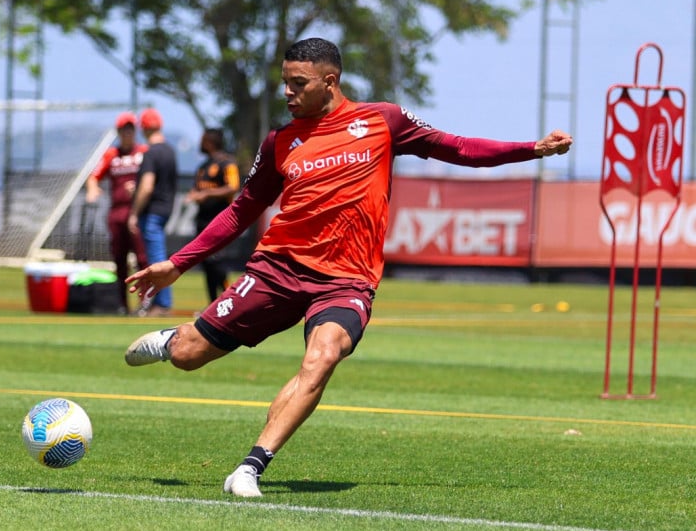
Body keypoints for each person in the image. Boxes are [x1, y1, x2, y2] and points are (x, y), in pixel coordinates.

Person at [124, 37, 572, 497]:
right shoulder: (280, 141)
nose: (287, 93)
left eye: (298, 84)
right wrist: (177, 265)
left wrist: (531, 149)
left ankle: (249, 469)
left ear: (330, 81)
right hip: (277, 269)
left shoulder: (383, 120)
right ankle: (172, 339)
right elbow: (240, 211)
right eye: (285, 83)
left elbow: (456, 147)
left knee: (321, 358)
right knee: (188, 356)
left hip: (346, 281)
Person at [85, 111, 149, 313]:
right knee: (119, 261)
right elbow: (93, 176)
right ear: (119, 132)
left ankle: (145, 303)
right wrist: (93, 189)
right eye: (124, 129)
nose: (128, 133)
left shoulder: (144, 153)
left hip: (138, 214)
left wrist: (137, 188)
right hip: (117, 214)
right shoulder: (112, 155)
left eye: (131, 128)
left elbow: (152, 180)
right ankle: (122, 304)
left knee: (142, 259)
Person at [128, 108, 178, 317]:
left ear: (144, 128)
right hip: (166, 208)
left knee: (156, 259)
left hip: (153, 210)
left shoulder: (151, 152)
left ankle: (163, 304)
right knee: (157, 255)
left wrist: (134, 212)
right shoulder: (169, 150)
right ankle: (159, 302)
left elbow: (147, 187)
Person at [184, 128, 241, 301]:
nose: (200, 143)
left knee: (217, 263)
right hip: (203, 221)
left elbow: (233, 187)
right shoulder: (203, 166)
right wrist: (194, 195)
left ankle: (229, 301)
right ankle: (211, 305)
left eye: (202, 139)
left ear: (209, 141)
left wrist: (207, 194)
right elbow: (198, 189)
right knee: (207, 264)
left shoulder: (227, 163)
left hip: (221, 221)